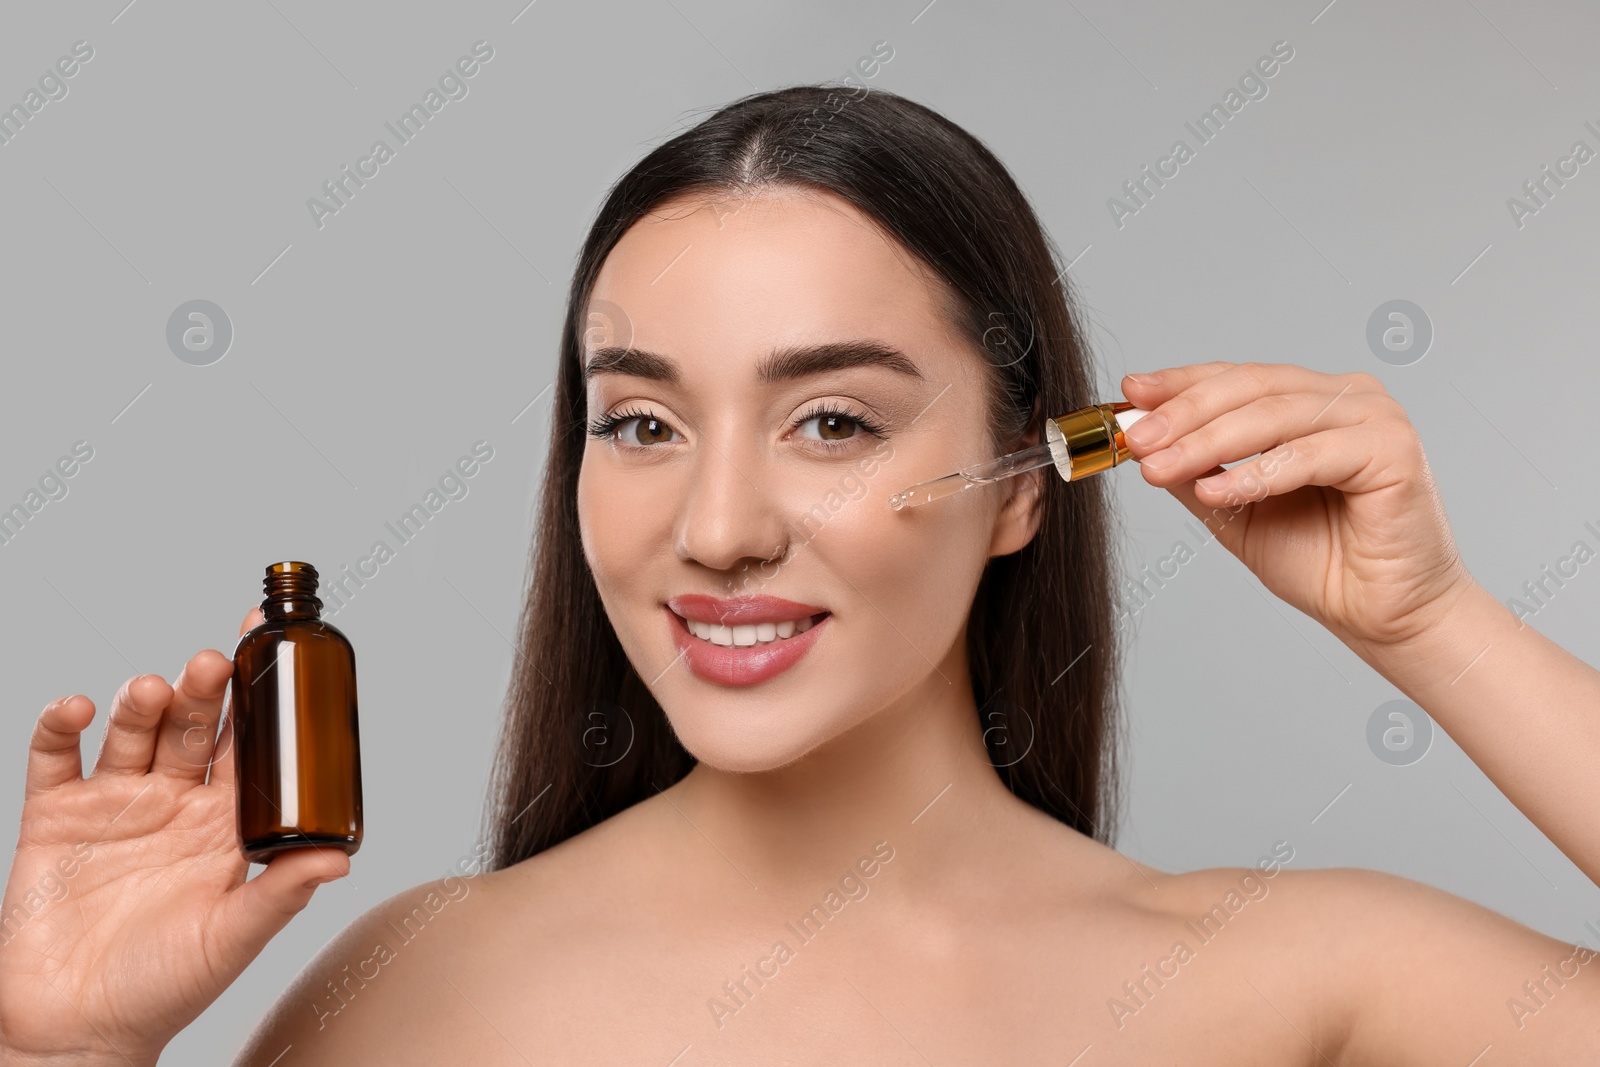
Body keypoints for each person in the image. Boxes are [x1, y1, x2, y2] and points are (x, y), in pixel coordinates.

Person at [4, 84, 1599, 1065]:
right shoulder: (417, 990)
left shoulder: (1283, 981)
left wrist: (1430, 625)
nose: (717, 527)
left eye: (831, 419)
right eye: (639, 420)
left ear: (1030, 485)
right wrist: (62, 1053)